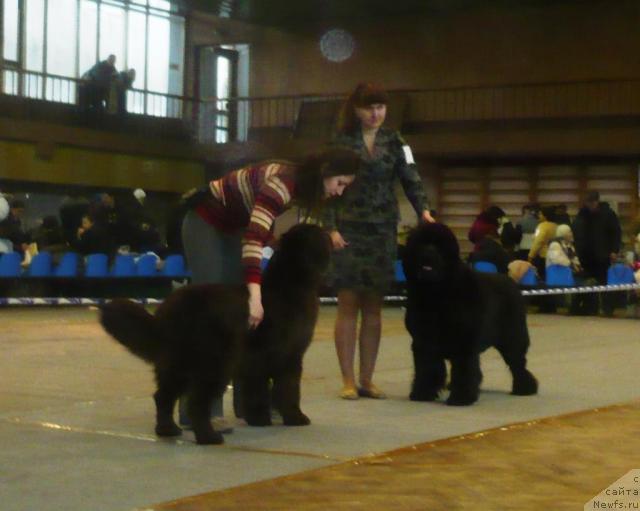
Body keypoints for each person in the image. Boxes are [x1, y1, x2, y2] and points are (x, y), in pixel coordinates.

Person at [179, 146, 361, 428]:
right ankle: (199, 410)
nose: (339, 191)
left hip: (234, 226)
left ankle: (250, 406)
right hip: (205, 222)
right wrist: (255, 295)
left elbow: (260, 225)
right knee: (215, 313)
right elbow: (254, 239)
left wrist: (274, 246)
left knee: (243, 326)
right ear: (325, 172)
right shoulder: (283, 183)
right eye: (339, 184)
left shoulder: (299, 187)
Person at [321, 83, 434, 401]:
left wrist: (424, 211)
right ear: (356, 109)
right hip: (348, 229)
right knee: (347, 305)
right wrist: (330, 228)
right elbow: (327, 188)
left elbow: (411, 177)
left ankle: (367, 380)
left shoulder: (396, 140)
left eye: (381, 107)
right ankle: (347, 379)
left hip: (383, 228)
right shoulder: (340, 141)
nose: (376, 113)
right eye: (369, 107)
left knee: (374, 308)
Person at [572, 191, 622, 316]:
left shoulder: (609, 214)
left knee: (605, 283)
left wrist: (614, 250)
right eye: (588, 202)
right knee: (586, 284)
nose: (590, 205)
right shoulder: (582, 214)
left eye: (592, 202)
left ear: (597, 201)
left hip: (603, 255)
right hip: (585, 255)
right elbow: (576, 231)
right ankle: (590, 308)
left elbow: (616, 233)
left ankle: (607, 309)